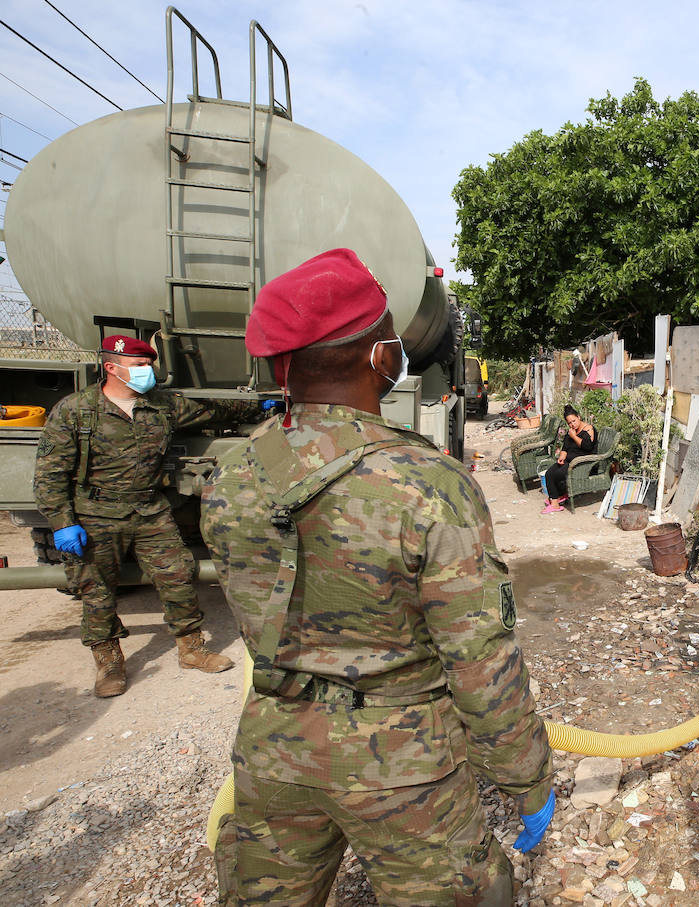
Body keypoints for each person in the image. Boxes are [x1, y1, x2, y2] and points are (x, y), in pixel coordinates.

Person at [203, 248, 553, 906]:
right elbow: (480, 657)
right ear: (377, 357)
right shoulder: (429, 484)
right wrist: (525, 775)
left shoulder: (235, 470)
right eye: (389, 336)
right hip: (402, 760)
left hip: (273, 745)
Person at [33, 334, 268, 697]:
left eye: (149, 364)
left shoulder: (160, 405)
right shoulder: (75, 410)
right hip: (95, 512)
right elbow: (49, 474)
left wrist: (260, 406)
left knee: (178, 574)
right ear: (111, 368)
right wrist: (63, 523)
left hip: (148, 508)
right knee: (96, 590)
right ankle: (109, 662)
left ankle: (191, 648)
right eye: (139, 366)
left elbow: (215, 410)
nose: (148, 371)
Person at [541, 404, 596, 514]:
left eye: (574, 421)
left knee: (557, 475)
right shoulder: (570, 431)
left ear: (579, 417)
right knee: (549, 472)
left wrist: (574, 436)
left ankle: (555, 503)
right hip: (569, 461)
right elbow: (565, 448)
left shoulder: (589, 429)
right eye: (569, 423)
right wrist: (562, 457)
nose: (572, 424)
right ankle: (557, 497)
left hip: (582, 464)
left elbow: (588, 447)